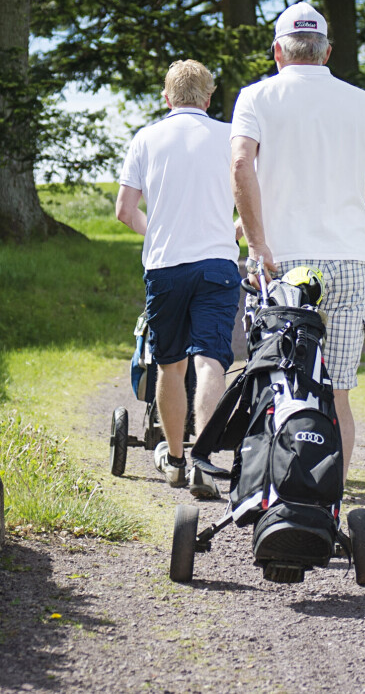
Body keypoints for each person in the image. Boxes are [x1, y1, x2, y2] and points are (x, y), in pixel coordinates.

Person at [230, 1, 365, 482]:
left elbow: (239, 165)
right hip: (350, 261)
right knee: (338, 394)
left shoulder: (255, 98)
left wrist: (256, 244)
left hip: (282, 261)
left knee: (277, 380)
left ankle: (276, 493)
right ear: (327, 51)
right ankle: (328, 503)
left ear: (277, 51)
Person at [116, 60, 241, 500]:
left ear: (166, 98)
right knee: (211, 360)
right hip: (218, 265)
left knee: (170, 363)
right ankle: (205, 463)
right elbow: (253, 198)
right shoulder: (231, 136)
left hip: (166, 266)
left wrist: (162, 232)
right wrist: (235, 232)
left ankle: (174, 459)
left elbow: (124, 211)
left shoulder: (146, 139)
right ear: (209, 99)